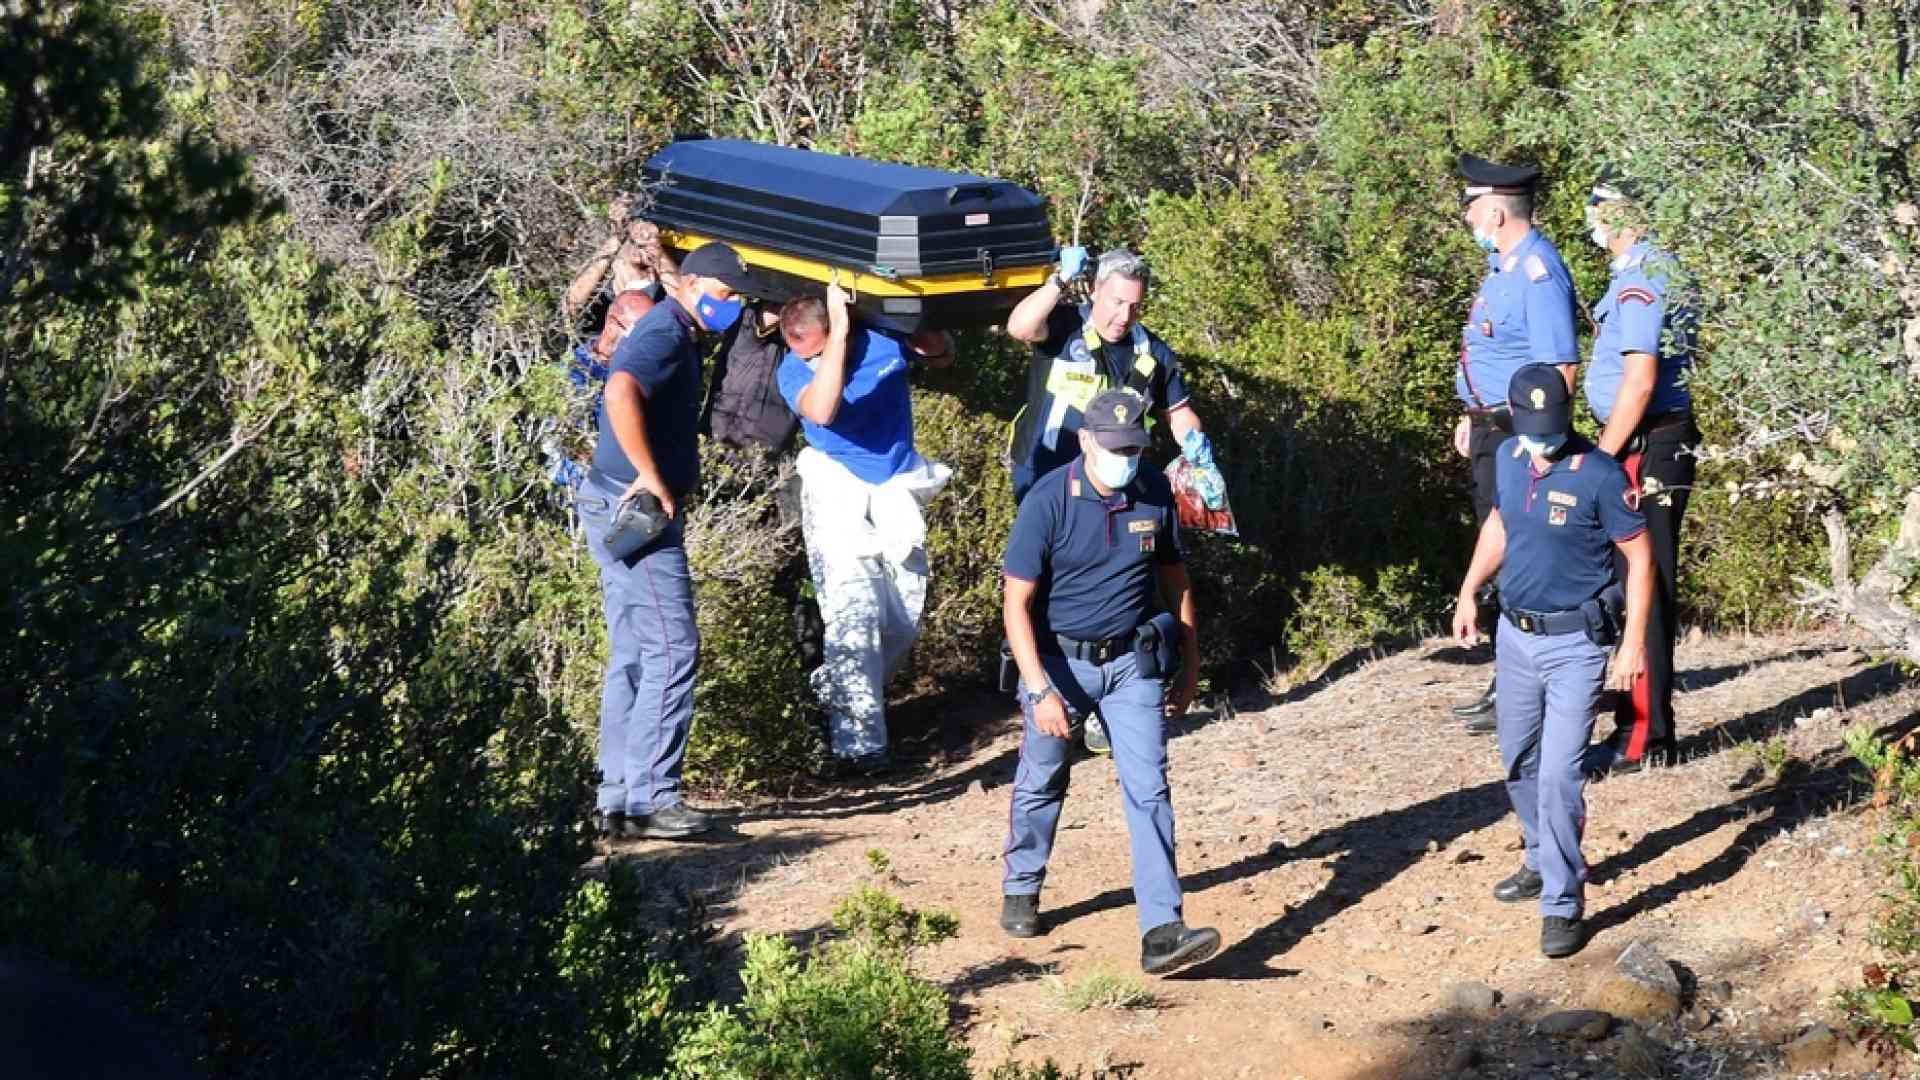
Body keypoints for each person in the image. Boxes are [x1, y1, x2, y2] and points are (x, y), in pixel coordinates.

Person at [997, 388, 1218, 976]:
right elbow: (1016, 604)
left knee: (1149, 788)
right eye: (1115, 448)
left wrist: (1190, 661)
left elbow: (1176, 579)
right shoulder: (1048, 500)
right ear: (1086, 441)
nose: (1126, 458)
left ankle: (1162, 931)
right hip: (1058, 663)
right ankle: (1022, 884)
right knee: (1044, 776)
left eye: (1134, 448)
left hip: (1130, 665)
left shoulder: (1153, 491)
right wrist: (1039, 690)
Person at [1450, 364, 1653, 958]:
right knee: (1518, 760)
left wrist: (1632, 644)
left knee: (1560, 774)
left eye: (1554, 425)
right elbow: (1499, 524)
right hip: (1515, 638)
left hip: (1575, 646)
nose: (1545, 439)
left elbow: (1640, 560)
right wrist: (1469, 590)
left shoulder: (1600, 474)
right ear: (1515, 418)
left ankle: (1562, 902)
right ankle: (1541, 858)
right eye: (1535, 427)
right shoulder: (1510, 457)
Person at [1003, 245, 1224, 754]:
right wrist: (1058, 281)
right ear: (1095, 290)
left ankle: (1111, 700)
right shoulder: (1063, 328)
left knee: (1128, 583)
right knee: (1042, 588)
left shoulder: (1151, 352)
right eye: (1116, 302)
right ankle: (1048, 689)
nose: (1124, 315)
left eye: (1135, 305)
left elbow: (1178, 410)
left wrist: (1195, 444)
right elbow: (1019, 327)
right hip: (1050, 485)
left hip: (1116, 488)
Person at [576, 241, 761, 840]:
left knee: (633, 652)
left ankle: (616, 799)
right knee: (672, 648)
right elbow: (620, 389)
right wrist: (652, 476)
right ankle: (653, 798)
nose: (731, 306)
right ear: (694, 285)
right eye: (725, 294)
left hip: (610, 500)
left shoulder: (675, 328)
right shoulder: (664, 332)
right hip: (638, 511)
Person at [778, 283, 955, 775]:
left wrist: (924, 334)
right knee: (852, 611)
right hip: (836, 486)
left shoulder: (881, 339)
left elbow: (942, 355)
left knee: (902, 618)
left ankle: (834, 688)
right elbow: (822, 409)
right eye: (806, 354)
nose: (811, 361)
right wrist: (833, 343)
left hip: (895, 483)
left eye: (817, 349)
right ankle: (860, 748)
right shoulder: (793, 369)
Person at [1449, 154, 1580, 734]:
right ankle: (1509, 680)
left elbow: (1560, 367)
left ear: (1497, 212)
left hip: (1517, 431)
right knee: (1499, 547)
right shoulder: (1503, 267)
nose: (1467, 217)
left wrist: (1542, 446)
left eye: (1472, 206)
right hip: (1490, 424)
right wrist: (1469, 411)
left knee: (1517, 554)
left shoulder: (1537, 271)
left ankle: (1522, 687)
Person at [1582, 178, 1700, 773]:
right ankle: (1636, 722)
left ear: (1619, 215)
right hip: (1644, 440)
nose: (1592, 223)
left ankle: (1644, 737)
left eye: (1597, 211)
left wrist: (1602, 459)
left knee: (1644, 584)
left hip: (1647, 444)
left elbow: (1640, 380)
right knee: (1633, 579)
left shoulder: (1642, 277)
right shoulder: (1645, 270)